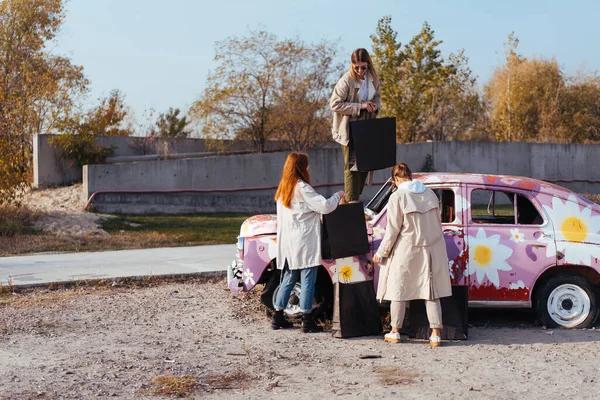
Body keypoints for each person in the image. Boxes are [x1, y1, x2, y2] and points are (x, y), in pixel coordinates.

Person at [373, 163, 452, 347]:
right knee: (431, 291)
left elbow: (392, 230)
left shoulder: (397, 196)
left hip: (406, 249)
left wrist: (381, 253)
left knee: (398, 290)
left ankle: (395, 331)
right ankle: (436, 335)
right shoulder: (430, 194)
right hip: (432, 248)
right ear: (410, 176)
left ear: (395, 179)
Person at [272, 152, 345, 333]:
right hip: (304, 242)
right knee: (307, 279)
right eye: (307, 165)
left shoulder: (283, 189)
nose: (309, 168)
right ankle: (307, 319)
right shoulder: (302, 188)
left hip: (288, 242)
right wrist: (337, 196)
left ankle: (278, 316)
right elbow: (325, 206)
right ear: (301, 167)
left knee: (288, 277)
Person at [330, 48, 381, 203]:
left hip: (367, 125)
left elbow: (377, 97)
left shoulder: (373, 78)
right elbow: (335, 104)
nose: (359, 70)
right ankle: (351, 202)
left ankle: (349, 200)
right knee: (352, 167)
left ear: (368, 65)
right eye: (356, 67)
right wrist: (360, 106)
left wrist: (374, 106)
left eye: (363, 67)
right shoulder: (346, 80)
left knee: (365, 164)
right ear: (352, 66)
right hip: (349, 127)